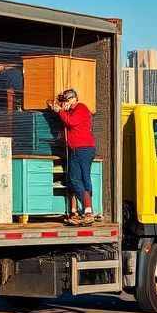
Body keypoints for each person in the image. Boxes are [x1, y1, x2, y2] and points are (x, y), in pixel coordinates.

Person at [50, 88, 96, 226]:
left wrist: (60, 111)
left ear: (72, 99)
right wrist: (57, 108)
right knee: (74, 179)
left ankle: (88, 210)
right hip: (76, 150)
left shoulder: (81, 108)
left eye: (65, 101)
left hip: (83, 149)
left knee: (82, 179)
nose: (64, 104)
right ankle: (79, 211)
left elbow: (71, 122)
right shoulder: (70, 111)